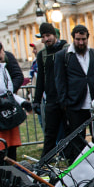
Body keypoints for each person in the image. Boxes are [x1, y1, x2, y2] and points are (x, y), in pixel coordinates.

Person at [55, 25, 94, 160]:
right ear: (73, 38)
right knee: (77, 141)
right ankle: (79, 168)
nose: (81, 42)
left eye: (83, 39)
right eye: (78, 39)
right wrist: (64, 103)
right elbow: (60, 81)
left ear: (87, 38)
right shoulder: (63, 56)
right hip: (75, 106)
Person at [33, 22, 69, 156]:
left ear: (54, 35)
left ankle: (72, 158)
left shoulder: (66, 49)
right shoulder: (42, 54)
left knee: (70, 131)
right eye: (43, 37)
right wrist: (36, 100)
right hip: (52, 99)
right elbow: (41, 79)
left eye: (48, 35)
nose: (46, 39)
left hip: (66, 97)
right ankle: (46, 160)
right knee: (50, 133)